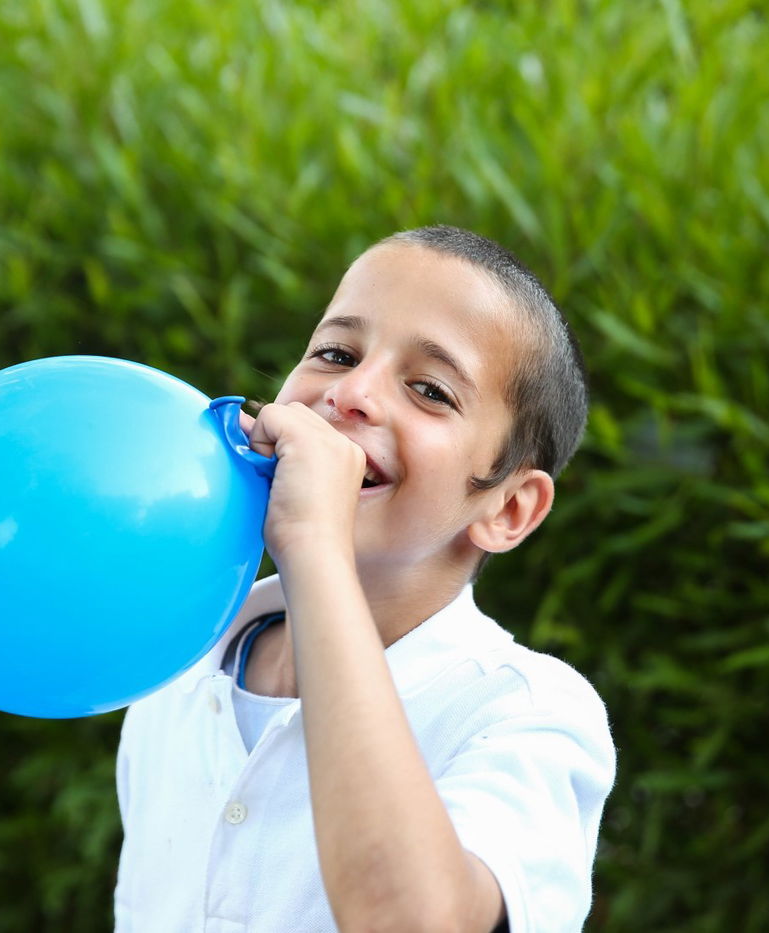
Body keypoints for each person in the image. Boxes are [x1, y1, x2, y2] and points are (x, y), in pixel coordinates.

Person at [114, 226, 616, 932]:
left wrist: (315, 543)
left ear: (507, 507)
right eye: (336, 352)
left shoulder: (526, 712)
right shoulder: (181, 662)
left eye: (430, 390)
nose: (351, 392)